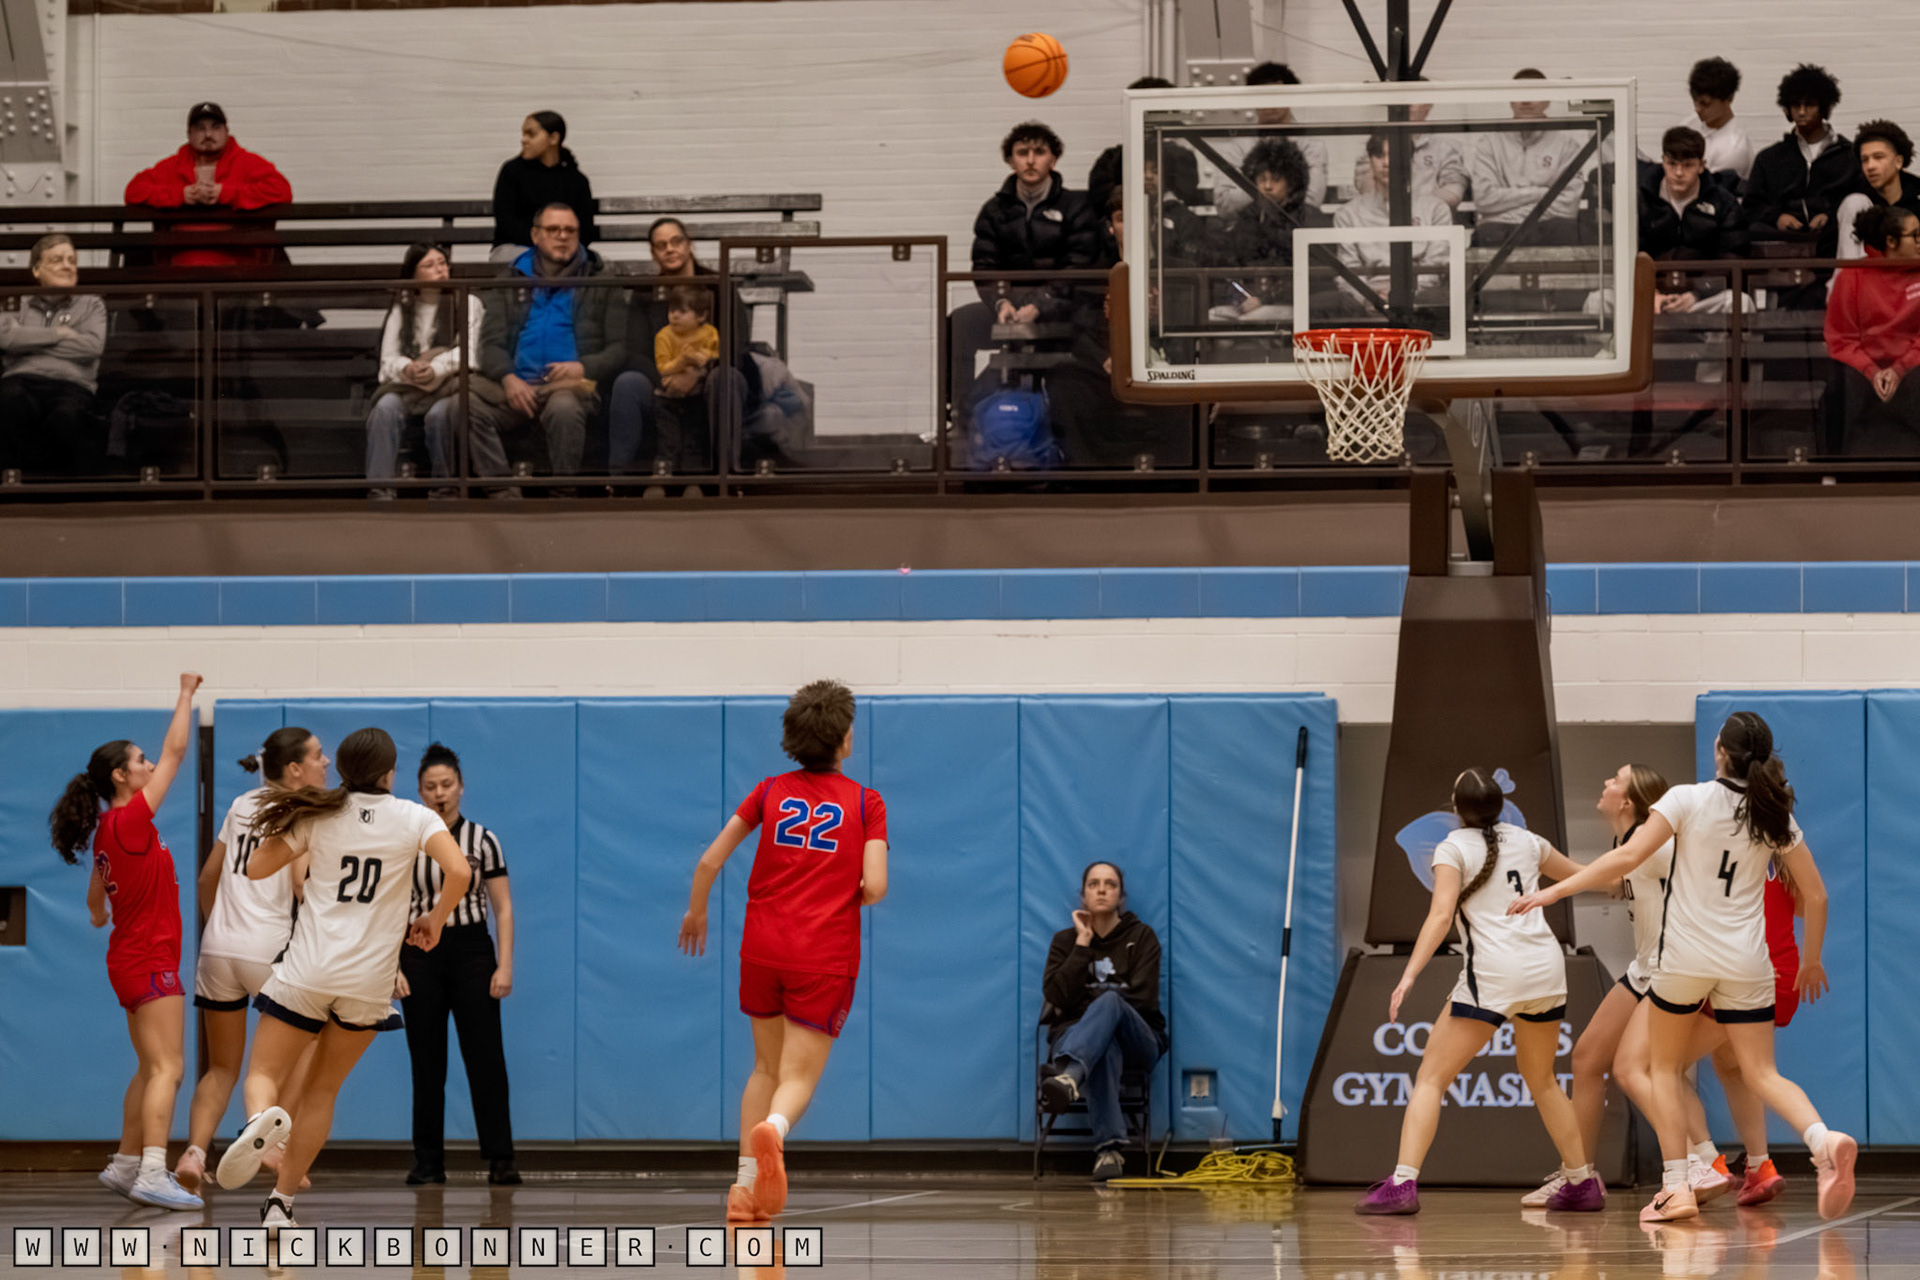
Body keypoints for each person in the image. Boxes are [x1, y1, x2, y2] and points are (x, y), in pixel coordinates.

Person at [1510, 712, 1853, 1224]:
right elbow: (1818, 895)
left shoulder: (1685, 799)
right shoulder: (1773, 813)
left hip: (1686, 958)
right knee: (1762, 1072)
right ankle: (1823, 1140)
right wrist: (1812, 961)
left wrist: (1555, 890)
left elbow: (1625, 860)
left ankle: (1677, 1186)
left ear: (1720, 752)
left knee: (1659, 1070)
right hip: (1748, 963)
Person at [214, 727, 470, 1238]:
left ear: (346, 770)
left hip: (309, 968)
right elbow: (460, 871)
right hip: (369, 982)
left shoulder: (319, 814)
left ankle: (261, 1120)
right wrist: (436, 920)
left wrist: (289, 819)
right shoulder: (416, 817)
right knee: (323, 1090)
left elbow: (258, 867)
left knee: (263, 1071)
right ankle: (280, 1204)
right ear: (390, 773)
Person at [678, 680, 889, 1223]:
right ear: (844, 739)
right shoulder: (866, 803)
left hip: (762, 948)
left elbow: (709, 861)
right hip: (822, 952)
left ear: (793, 739)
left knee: (764, 1067)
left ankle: (745, 1191)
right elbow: (876, 885)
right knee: (796, 1079)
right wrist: (851, 890)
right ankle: (775, 1131)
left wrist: (696, 911)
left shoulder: (769, 790)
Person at [1355, 768, 1601, 1216]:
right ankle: (1582, 1181)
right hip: (1546, 970)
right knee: (1544, 1080)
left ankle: (1403, 1184)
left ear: (1455, 808)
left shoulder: (1451, 848)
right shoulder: (1528, 841)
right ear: (1500, 806)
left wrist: (1409, 976)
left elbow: (1439, 917)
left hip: (1494, 975)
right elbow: (1586, 876)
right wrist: (1635, 881)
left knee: (1431, 1077)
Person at [49, 672, 204, 1211]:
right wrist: (186, 693)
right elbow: (178, 751)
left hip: (129, 958)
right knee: (170, 1069)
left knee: (149, 1067)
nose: (151, 765)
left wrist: (105, 914)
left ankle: (124, 1163)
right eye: (141, 760)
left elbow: (96, 905)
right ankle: (155, 1171)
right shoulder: (131, 820)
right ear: (121, 775)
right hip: (149, 959)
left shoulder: (111, 830)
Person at [175, 727, 329, 1196]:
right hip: (268, 951)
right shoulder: (300, 811)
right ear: (294, 769)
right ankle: (271, 1144)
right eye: (319, 756)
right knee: (304, 1052)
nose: (327, 764)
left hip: (218, 950)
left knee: (221, 1068)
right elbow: (303, 886)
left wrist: (218, 926)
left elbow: (207, 876)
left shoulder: (242, 804)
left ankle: (194, 1153)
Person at [1527, 764, 1673, 1209]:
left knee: (1652, 1072)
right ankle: (1578, 1176)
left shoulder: (1655, 840)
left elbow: (1617, 871)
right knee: (1588, 1058)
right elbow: (1610, 879)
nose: (1606, 782)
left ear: (1627, 801)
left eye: (1615, 779)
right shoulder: (1627, 841)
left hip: (1673, 969)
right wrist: (1545, 863)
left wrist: (1552, 892)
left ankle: (1696, 1164)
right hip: (1643, 967)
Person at [397, 742, 518, 1187]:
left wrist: (504, 966)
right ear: (419, 792)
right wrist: (394, 965)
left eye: (447, 784)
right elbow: (392, 908)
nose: (439, 793)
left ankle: (501, 1158)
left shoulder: (483, 840)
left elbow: (502, 908)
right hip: (419, 950)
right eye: (430, 786)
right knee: (426, 1060)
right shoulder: (408, 843)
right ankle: (428, 1161)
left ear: (461, 788)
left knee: (485, 1055)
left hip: (472, 951)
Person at [948, 122, 1099, 421]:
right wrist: (1001, 303)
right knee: (958, 325)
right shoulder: (994, 210)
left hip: (1062, 311)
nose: (1030, 160)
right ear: (1010, 160)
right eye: (1022, 152)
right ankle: (957, 416)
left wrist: (1040, 304)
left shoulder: (1076, 207)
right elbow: (985, 266)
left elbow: (1077, 266)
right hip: (1010, 306)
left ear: (1053, 160)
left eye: (1039, 152)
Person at [472, 203, 626, 492]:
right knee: (462, 407)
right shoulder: (508, 280)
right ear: (535, 235)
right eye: (553, 229)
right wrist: (508, 378)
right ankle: (502, 492)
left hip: (572, 386)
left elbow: (618, 349)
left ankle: (562, 495)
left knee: (564, 408)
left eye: (570, 230)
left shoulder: (602, 280)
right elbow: (490, 344)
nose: (562, 236)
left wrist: (583, 367)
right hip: (516, 387)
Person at [607, 217, 762, 488]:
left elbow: (737, 346)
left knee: (726, 378)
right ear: (654, 253)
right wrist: (667, 379)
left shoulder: (719, 286)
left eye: (676, 241)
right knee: (627, 382)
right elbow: (635, 352)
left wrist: (699, 374)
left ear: (689, 244)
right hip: (663, 380)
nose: (670, 249)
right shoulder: (645, 293)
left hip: (710, 377)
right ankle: (619, 484)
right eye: (661, 245)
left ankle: (728, 479)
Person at [1038, 862, 1166, 1182]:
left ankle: (1069, 1078)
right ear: (1082, 895)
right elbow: (1057, 996)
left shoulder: (1142, 937)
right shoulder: (1065, 942)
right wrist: (1083, 944)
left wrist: (1099, 1011)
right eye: (1094, 883)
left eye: (1110, 884)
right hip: (1077, 1038)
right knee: (1104, 1046)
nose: (1102, 889)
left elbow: (1145, 1000)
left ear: (1121, 895)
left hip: (1138, 1038)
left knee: (1111, 1003)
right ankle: (1109, 1152)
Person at [366, 243, 487, 499]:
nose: (440, 270)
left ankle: (445, 489)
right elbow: (388, 360)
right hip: (409, 385)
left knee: (440, 415)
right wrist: (406, 367)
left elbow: (470, 353)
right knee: (384, 409)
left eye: (442, 263)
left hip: (449, 384)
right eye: (430, 265)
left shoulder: (466, 300)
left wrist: (435, 369)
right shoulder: (403, 306)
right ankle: (380, 490)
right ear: (413, 274)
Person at [122, 103, 292, 268]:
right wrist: (181, 195)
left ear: (226, 131)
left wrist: (225, 193)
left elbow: (282, 190)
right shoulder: (172, 166)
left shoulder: (247, 163)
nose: (208, 134)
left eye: (215, 127)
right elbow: (134, 191)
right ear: (189, 134)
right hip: (179, 265)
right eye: (200, 128)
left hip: (238, 265)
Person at [0, 234, 107, 479]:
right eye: (57, 260)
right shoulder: (17, 303)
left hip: (73, 385)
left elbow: (91, 347)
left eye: (72, 260)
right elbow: (5, 338)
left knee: (66, 416)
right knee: (9, 401)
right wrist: (60, 333)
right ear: (37, 270)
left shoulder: (91, 304)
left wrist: (27, 341)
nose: (68, 266)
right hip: (21, 380)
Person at [1822, 205, 1920, 456]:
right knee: (1836, 383)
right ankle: (1833, 470)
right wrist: (1871, 370)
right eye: (1916, 235)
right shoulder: (1852, 275)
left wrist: (1900, 369)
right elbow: (1841, 338)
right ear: (1891, 241)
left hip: (1912, 363)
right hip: (1862, 365)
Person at [1470, 70, 1592, 246]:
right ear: (1510, 100)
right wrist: (1542, 193)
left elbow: (1568, 206)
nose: (1526, 101)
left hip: (1551, 228)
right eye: (1520, 95)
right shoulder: (1488, 143)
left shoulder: (1567, 146)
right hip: (1499, 229)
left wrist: (1510, 205)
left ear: (1547, 100)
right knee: (1485, 234)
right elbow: (1484, 199)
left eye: (1533, 94)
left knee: (1567, 230)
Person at [1743, 65, 1854, 257]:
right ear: (1787, 109)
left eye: (1809, 105)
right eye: (1796, 105)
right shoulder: (1769, 159)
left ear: (1824, 108)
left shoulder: (1849, 156)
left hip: (1834, 247)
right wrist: (1777, 217)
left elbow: (1857, 201)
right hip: (1780, 251)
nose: (1801, 112)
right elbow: (1751, 206)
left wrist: (1831, 216)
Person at [1335, 133, 1457, 305]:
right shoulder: (1347, 214)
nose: (1386, 163)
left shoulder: (1436, 209)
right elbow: (1349, 271)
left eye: (1393, 156)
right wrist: (1368, 299)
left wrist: (1408, 297)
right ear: (1370, 161)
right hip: (1365, 302)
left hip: (1419, 300)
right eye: (1379, 156)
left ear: (1410, 161)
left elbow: (1434, 267)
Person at [1640, 127, 1747, 315]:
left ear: (1701, 165)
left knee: (1741, 302)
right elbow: (1628, 255)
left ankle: (1717, 346)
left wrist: (1697, 293)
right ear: (1663, 161)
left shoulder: (1723, 202)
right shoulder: (1641, 198)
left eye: (1687, 165)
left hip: (1702, 296)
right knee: (1599, 300)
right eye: (1672, 164)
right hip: (1649, 295)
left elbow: (1733, 258)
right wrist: (1651, 293)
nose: (1679, 172)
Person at [1208, 62, 1328, 217]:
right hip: (1249, 234)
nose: (1270, 103)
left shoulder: (1311, 145)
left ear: (1291, 97)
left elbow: (1312, 201)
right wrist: (1273, 191)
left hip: (1295, 233)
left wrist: (1258, 192)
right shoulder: (1237, 146)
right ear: (1252, 100)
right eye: (1263, 96)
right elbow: (1223, 204)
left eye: (1277, 96)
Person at [1086, 76, 1203, 219]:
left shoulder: (1178, 156)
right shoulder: (1111, 159)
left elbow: (1186, 194)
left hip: (1169, 231)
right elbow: (1101, 202)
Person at [1219, 139, 1311, 320]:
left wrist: (1263, 299)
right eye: (1262, 179)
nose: (1267, 186)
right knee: (1214, 317)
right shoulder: (1247, 219)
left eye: (1275, 180)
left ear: (1291, 183)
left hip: (1291, 304)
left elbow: (1309, 278)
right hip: (1249, 303)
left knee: (1246, 322)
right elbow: (1229, 270)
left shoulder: (1306, 218)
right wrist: (1240, 298)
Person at [491, 111, 598, 262]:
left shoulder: (576, 180)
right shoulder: (512, 172)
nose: (524, 140)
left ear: (553, 138)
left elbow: (585, 229)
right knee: (538, 261)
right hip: (516, 247)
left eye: (531, 134)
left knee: (603, 266)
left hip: (564, 250)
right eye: (523, 134)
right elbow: (506, 222)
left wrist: (559, 245)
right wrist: (545, 245)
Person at [1349, 96, 1469, 209]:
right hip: (1382, 220)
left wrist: (1414, 206)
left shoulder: (1446, 147)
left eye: (1414, 98)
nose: (1407, 104)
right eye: (1402, 98)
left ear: (1428, 106)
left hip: (1431, 222)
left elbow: (1454, 193)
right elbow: (1366, 188)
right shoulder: (1374, 142)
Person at [1834, 120, 1920, 263]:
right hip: (1863, 279)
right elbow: (1827, 250)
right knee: (1854, 202)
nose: (1870, 166)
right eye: (1865, 160)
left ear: (1898, 162)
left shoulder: (1917, 200)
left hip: (1911, 279)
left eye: (1878, 157)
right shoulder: (1852, 201)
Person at [1679, 58, 1756, 187]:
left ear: (1729, 99)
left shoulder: (1735, 148)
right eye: (1695, 100)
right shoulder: (1690, 124)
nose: (1697, 109)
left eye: (1705, 104)